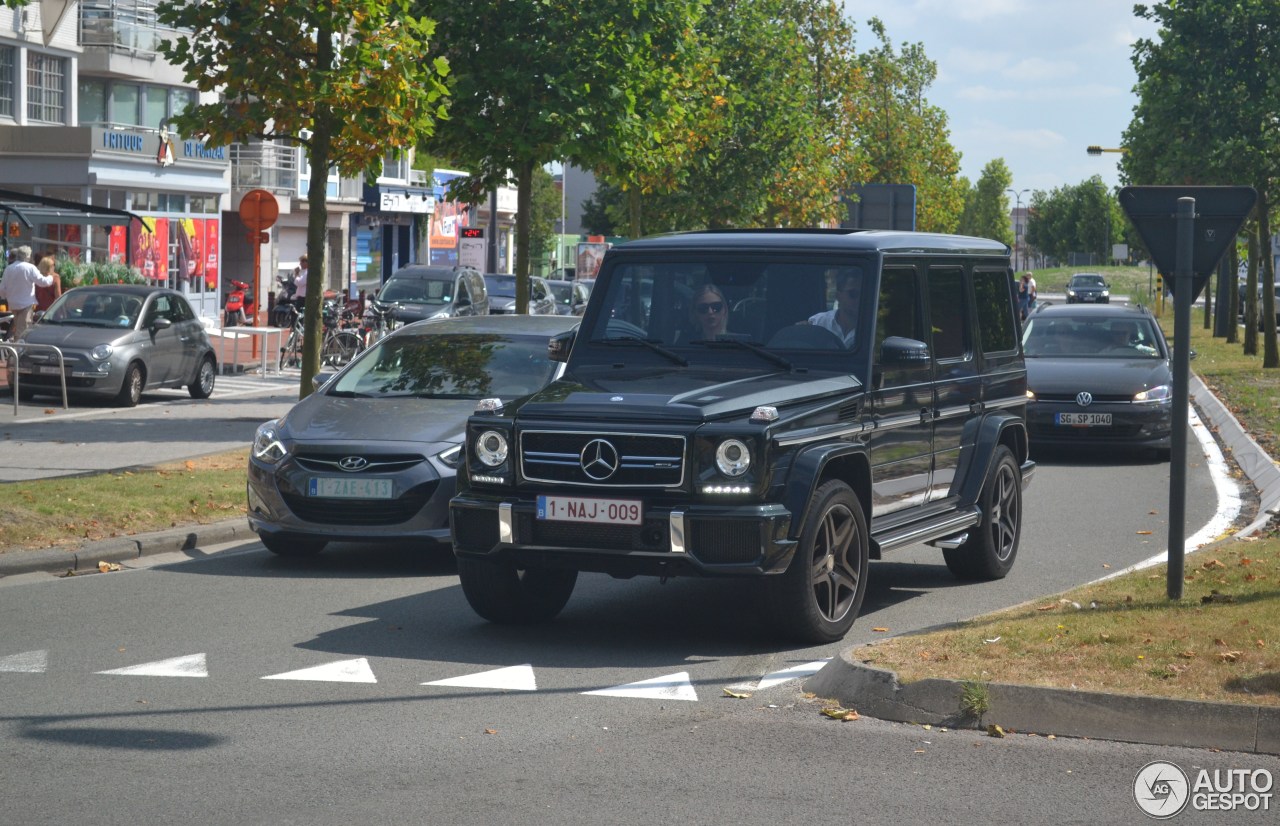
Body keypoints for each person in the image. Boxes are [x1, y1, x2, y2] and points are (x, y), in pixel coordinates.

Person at [0, 245, 54, 341]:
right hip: (26, 304)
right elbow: (42, 282)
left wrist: (6, 296)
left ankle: (15, 351)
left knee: (17, 328)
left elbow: (2, 288)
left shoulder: (9, 269)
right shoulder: (30, 268)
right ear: (27, 256)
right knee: (23, 331)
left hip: (13, 304)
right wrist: (51, 277)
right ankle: (19, 352)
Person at [807, 270, 861, 345]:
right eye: (853, 294)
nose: (859, 299)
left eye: (863, 294)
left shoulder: (873, 328)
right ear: (838, 296)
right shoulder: (818, 322)